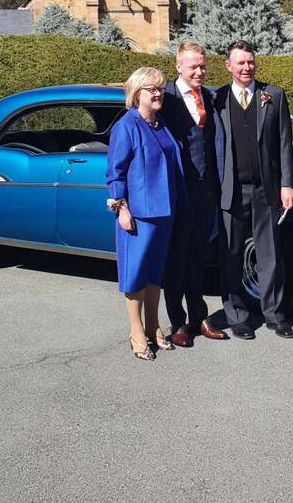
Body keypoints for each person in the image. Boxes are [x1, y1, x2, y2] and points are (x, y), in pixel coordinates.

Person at [214, 41, 293, 340]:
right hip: (231, 191)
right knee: (231, 254)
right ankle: (237, 316)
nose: (247, 67)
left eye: (250, 62)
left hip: (267, 189)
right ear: (228, 66)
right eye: (241, 63)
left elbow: (284, 143)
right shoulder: (217, 99)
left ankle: (275, 315)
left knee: (270, 254)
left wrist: (287, 183)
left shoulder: (273, 96)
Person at [106, 67, 183, 361]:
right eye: (152, 89)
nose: (158, 93)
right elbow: (115, 173)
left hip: (164, 211)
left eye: (161, 88)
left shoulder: (160, 123)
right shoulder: (126, 127)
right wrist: (120, 208)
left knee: (154, 273)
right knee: (135, 273)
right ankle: (136, 330)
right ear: (137, 93)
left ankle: (153, 326)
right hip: (138, 214)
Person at [161, 42, 228, 347]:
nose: (200, 71)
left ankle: (199, 317)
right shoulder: (166, 99)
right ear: (179, 67)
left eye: (203, 66)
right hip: (177, 193)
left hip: (205, 192)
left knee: (199, 257)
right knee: (177, 259)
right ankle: (177, 322)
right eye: (193, 67)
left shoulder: (211, 98)